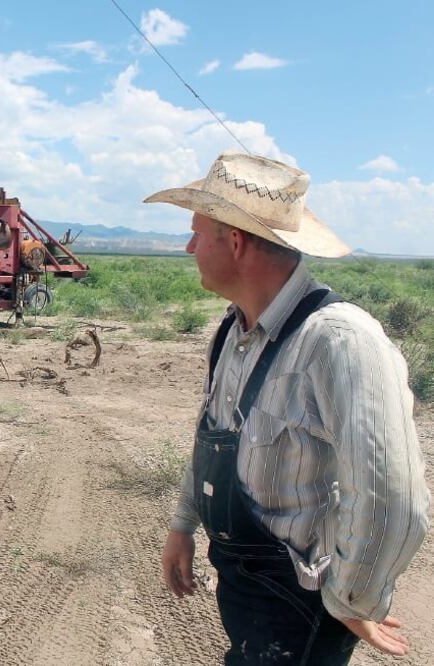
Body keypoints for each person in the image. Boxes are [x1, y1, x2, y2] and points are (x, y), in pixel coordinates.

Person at [146, 152, 429, 664]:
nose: (188, 248)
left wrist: (351, 599)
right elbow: (212, 436)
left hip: (301, 609)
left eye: (196, 234)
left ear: (235, 242)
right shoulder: (233, 331)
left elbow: (392, 499)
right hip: (246, 588)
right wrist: (183, 524)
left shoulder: (340, 342)